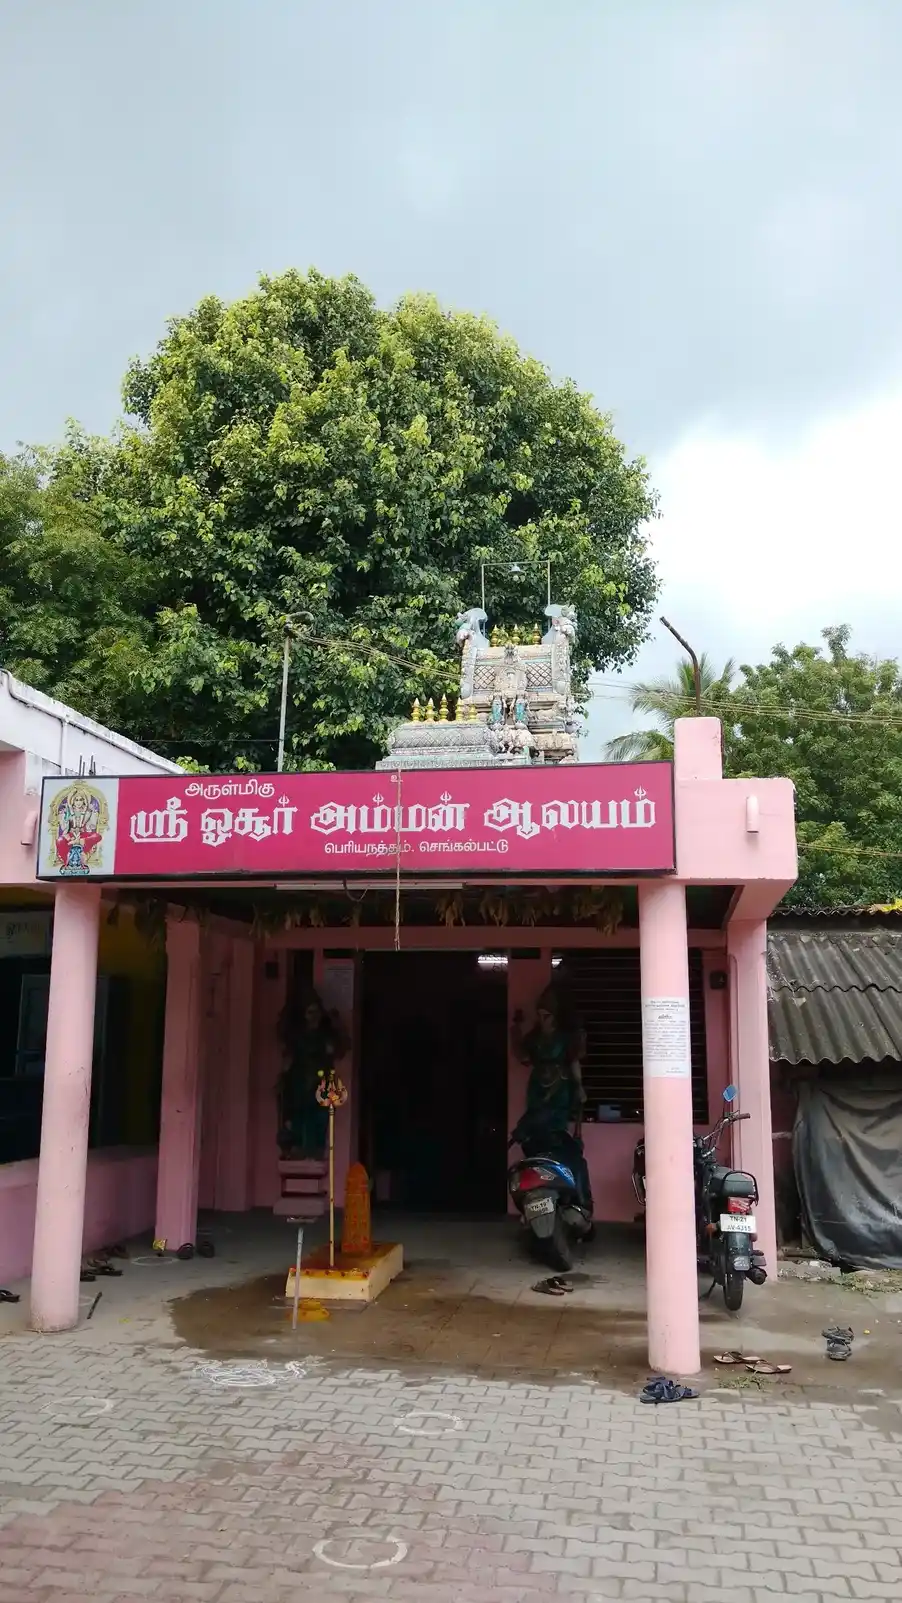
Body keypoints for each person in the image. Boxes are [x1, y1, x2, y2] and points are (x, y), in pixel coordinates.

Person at [510, 986, 592, 1209]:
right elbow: (524, 1057)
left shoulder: (564, 1039)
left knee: (557, 1133)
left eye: (547, 1016)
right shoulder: (535, 1037)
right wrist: (515, 1032)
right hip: (537, 1085)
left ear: (556, 1017)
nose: (543, 1020)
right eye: (540, 1016)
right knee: (534, 1129)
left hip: (560, 1085)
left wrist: (579, 1087)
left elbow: (574, 1061)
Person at [277, 990, 348, 1159]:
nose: (313, 1017)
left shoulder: (325, 1034)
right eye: (310, 1012)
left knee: (319, 1119)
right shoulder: (297, 1037)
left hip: (320, 1084)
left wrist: (337, 1023)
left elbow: (341, 1047)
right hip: (301, 1085)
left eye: (316, 1012)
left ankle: (314, 1150)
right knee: (299, 1118)